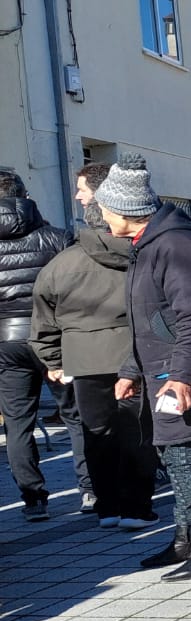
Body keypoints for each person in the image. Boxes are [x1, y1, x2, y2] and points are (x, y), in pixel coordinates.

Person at [100, 154, 191, 580]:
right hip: (160, 369)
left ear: (123, 210)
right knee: (175, 457)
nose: (100, 216)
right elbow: (148, 318)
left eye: (105, 209)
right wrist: (131, 368)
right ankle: (186, 538)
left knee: (190, 458)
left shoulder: (174, 244)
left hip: (180, 372)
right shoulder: (147, 244)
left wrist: (182, 377)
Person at [31, 162, 162, 530]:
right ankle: (137, 507)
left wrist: (54, 360)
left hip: (83, 360)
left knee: (96, 434)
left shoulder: (61, 264)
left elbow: (42, 319)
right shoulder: (140, 256)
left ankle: (107, 507)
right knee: (137, 432)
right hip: (132, 356)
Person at [0, 169, 81, 521]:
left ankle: (33, 499)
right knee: (75, 416)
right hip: (54, 338)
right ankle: (91, 489)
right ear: (24, 196)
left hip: (6, 341)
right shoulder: (57, 238)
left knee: (18, 423)